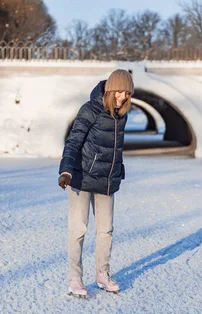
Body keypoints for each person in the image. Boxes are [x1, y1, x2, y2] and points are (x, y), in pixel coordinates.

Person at [58, 69, 134, 299]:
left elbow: (114, 149)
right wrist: (66, 171)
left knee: (106, 231)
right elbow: (73, 141)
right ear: (110, 89)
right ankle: (75, 279)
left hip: (106, 181)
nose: (122, 97)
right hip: (80, 177)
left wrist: (117, 172)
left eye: (127, 93)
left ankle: (102, 274)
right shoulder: (89, 110)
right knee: (79, 229)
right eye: (119, 91)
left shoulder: (122, 115)